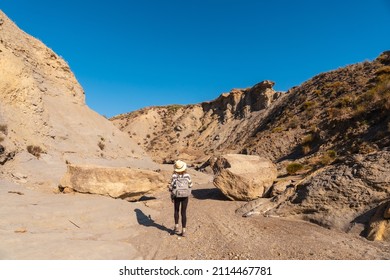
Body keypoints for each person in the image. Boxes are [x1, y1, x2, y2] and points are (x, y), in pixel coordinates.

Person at [168, 160, 193, 237]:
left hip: (176, 196)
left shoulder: (174, 176)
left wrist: (170, 189)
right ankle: (184, 231)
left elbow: (172, 187)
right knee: (183, 212)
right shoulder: (187, 175)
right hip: (185, 196)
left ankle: (176, 227)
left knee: (176, 211)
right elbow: (191, 185)